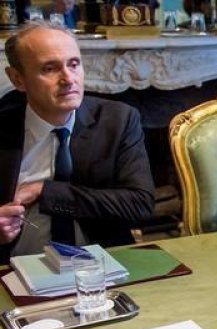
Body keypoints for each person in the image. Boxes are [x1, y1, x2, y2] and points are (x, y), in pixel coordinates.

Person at [0, 22, 155, 263]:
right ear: (18, 79)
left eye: (74, 64)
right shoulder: (3, 128)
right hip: (16, 269)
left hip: (102, 266)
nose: (68, 78)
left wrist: (45, 192)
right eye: (49, 68)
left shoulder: (118, 120)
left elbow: (139, 205)